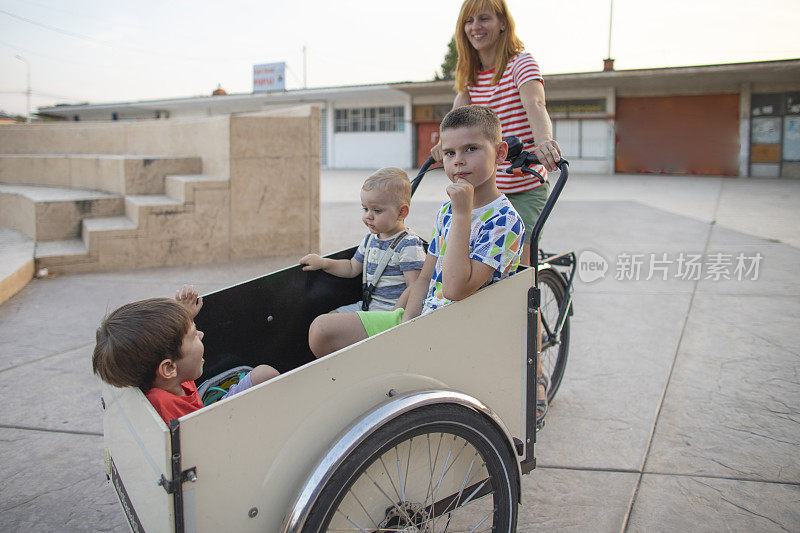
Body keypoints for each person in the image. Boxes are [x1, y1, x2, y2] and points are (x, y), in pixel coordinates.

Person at [308, 105, 524, 360]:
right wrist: (406, 327)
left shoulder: (505, 221)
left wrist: (463, 214)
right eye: (449, 153)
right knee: (321, 329)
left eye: (471, 149)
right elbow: (424, 279)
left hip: (458, 331)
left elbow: (455, 289)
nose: (458, 160)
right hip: (422, 319)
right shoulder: (447, 210)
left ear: (500, 154)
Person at [432, 0, 562, 267]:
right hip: (485, 188)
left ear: (503, 23)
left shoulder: (520, 63)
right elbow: (455, 117)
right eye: (469, 21)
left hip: (524, 185)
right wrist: (443, 145)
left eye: (484, 19)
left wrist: (544, 142)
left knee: (519, 274)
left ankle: (530, 309)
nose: (475, 27)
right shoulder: (470, 74)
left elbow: (535, 104)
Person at [91, 286, 279, 424]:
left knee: (264, 374)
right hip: (214, 428)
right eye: (193, 335)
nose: (201, 335)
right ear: (169, 368)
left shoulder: (169, 374)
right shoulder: (162, 405)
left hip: (205, 412)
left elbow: (172, 345)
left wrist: (185, 318)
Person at [300, 167, 426, 313]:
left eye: (377, 211)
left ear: (401, 212)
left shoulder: (408, 244)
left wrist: (393, 317)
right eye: (365, 209)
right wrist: (323, 263)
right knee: (328, 319)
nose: (368, 216)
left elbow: (414, 287)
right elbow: (351, 268)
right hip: (368, 307)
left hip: (391, 312)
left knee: (325, 327)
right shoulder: (370, 240)